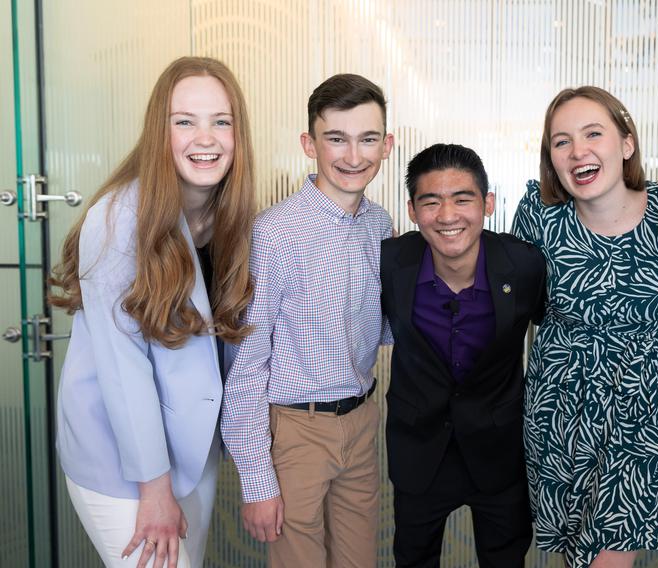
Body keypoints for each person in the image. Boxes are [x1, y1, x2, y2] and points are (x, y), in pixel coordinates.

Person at [49, 56, 255, 568]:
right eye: (184, 121)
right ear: (158, 131)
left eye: (220, 122)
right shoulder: (118, 218)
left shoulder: (229, 215)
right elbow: (124, 369)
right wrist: (154, 490)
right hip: (122, 460)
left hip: (192, 449)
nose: (204, 138)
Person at [511, 87, 658, 568]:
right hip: (561, 403)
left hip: (648, 401)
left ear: (626, 144)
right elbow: (519, 308)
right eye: (561, 141)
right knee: (575, 553)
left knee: (609, 557)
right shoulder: (538, 217)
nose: (578, 152)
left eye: (594, 134)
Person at [221, 73, 394, 568]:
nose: (353, 155)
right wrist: (257, 482)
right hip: (296, 430)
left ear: (387, 145)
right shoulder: (274, 234)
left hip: (362, 422)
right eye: (336, 138)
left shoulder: (380, 225)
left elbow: (375, 326)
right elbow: (247, 364)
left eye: (368, 139)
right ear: (309, 143)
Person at [381, 143, 547, 567]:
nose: (448, 215)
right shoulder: (389, 263)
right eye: (431, 202)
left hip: (499, 450)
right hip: (420, 450)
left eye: (463, 199)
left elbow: (565, 323)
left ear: (487, 204)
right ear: (413, 211)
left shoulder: (524, 265)